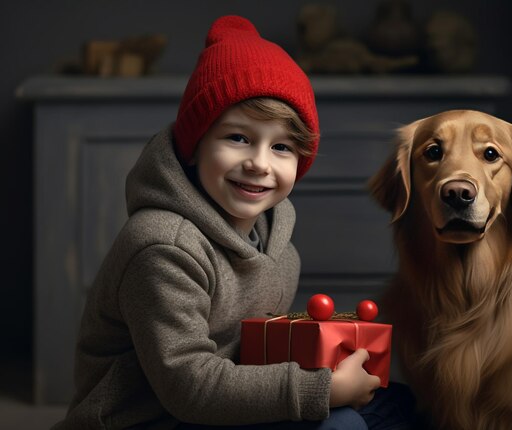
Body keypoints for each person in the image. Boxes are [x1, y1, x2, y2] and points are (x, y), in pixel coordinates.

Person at [53, 15, 416, 429]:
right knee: (342, 424)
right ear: (194, 147)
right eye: (238, 138)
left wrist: (328, 362)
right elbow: (190, 387)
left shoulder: (280, 252)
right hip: (146, 418)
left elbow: (250, 360)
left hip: (219, 410)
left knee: (398, 404)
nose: (259, 163)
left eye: (281, 146)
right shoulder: (163, 248)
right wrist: (321, 389)